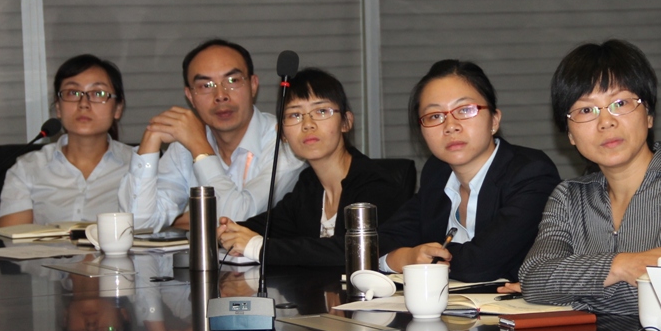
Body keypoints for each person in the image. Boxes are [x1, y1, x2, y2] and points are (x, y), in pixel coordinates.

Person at [518, 39, 661, 315]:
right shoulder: (568, 196)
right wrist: (618, 265)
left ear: (649, 115)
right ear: (570, 134)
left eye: (620, 103)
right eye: (586, 110)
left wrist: (566, 293)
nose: (605, 122)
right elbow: (534, 277)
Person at [378, 60, 561, 283]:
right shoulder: (437, 173)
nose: (450, 126)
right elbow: (378, 242)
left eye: (465, 110)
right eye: (435, 116)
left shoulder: (531, 173)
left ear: (494, 120)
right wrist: (402, 257)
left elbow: (479, 264)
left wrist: (419, 257)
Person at [216, 68, 406, 265]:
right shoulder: (309, 185)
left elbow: (354, 251)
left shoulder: (375, 185)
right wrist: (226, 231)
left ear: (346, 122)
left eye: (321, 111)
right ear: (282, 134)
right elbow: (267, 226)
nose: (308, 124)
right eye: (295, 115)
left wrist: (259, 247)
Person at [118, 39, 305, 232]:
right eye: (206, 85)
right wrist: (150, 142)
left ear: (253, 85)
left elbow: (239, 221)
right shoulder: (184, 147)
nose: (221, 95)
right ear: (190, 96)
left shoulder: (285, 141)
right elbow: (137, 224)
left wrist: (200, 149)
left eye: (232, 81)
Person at [0, 54, 133, 226]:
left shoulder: (140, 166)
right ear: (58, 107)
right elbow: (15, 237)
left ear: (118, 109)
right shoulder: (27, 168)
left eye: (98, 93)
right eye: (72, 93)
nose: (83, 103)